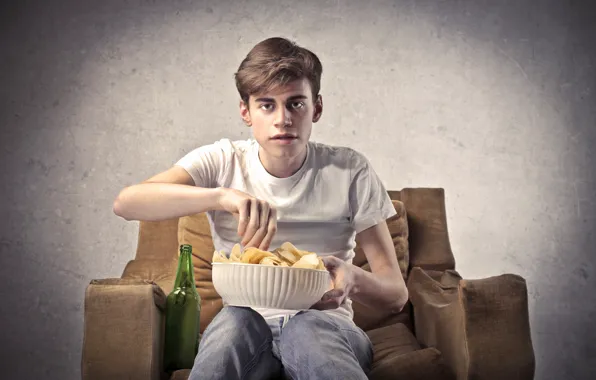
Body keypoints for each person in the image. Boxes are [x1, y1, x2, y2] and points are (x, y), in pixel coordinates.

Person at [113, 36, 408, 380]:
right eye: (266, 105)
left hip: (326, 327)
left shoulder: (350, 169)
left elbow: (396, 295)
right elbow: (127, 203)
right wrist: (222, 197)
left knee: (307, 328)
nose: (282, 119)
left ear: (317, 107)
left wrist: (352, 278)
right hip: (245, 328)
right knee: (235, 322)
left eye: (296, 104)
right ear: (246, 112)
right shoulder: (223, 160)